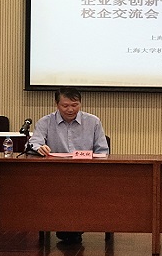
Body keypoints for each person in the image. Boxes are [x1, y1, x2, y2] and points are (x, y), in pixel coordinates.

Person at [28, 87, 109, 244]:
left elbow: (103, 151)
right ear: (56, 104)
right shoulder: (45, 122)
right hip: (55, 174)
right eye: (65, 106)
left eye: (75, 105)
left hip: (86, 174)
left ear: (80, 103)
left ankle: (71, 227)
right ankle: (68, 227)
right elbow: (33, 143)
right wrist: (39, 148)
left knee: (80, 189)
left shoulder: (93, 122)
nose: (70, 109)